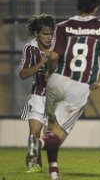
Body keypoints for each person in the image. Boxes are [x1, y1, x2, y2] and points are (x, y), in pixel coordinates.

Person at [25, 0, 100, 179]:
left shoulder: (63, 26)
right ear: (97, 7)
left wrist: (50, 74)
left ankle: (54, 170)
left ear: (77, 5)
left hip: (56, 80)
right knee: (58, 135)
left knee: (51, 127)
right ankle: (37, 144)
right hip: (78, 87)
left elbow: (53, 56)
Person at [19, 14, 56, 173]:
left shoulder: (59, 47)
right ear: (37, 34)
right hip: (37, 95)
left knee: (51, 136)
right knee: (34, 133)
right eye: (45, 34)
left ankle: (52, 166)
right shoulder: (30, 48)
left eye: (51, 34)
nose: (49, 37)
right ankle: (34, 164)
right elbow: (23, 74)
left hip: (56, 98)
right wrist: (41, 63)